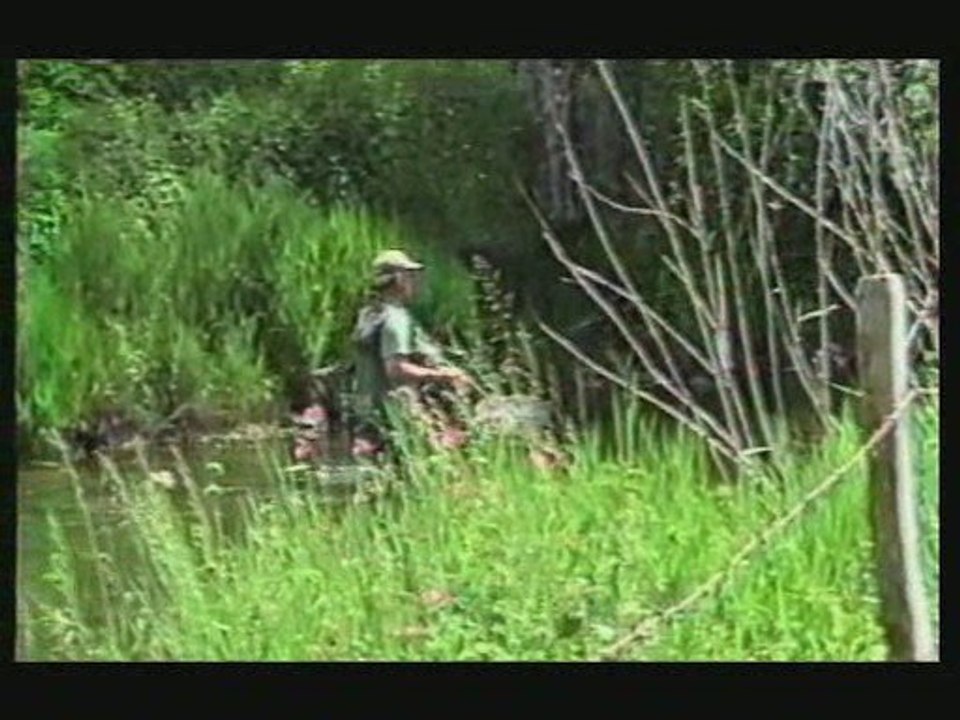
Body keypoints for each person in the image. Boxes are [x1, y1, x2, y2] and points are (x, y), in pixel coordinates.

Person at [350, 249, 472, 459]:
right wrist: (448, 375)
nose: (415, 282)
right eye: (409, 275)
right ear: (396, 279)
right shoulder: (396, 318)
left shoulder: (369, 314)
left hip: (368, 411)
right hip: (399, 413)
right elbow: (396, 369)